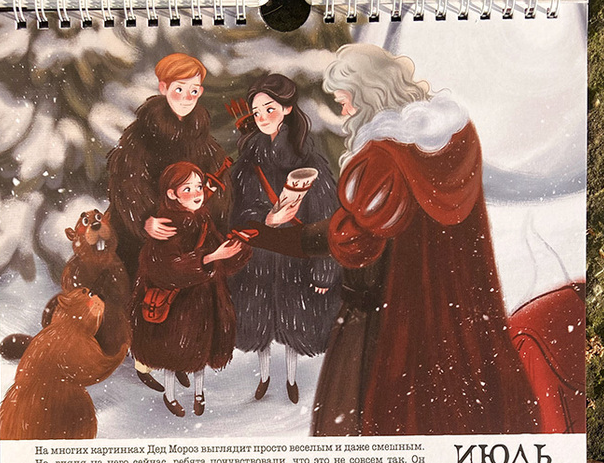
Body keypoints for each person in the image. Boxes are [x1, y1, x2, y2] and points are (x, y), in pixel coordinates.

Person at [270, 44, 539, 436]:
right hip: (460, 302)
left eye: (346, 101)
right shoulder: (457, 138)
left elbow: (357, 241)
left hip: (395, 307)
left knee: (383, 412)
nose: (345, 112)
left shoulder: (382, 157)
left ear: (370, 95)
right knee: (463, 395)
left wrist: (284, 235)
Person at [107, 53, 231, 393]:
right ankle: (143, 358)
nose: (188, 97)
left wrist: (208, 203)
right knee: (149, 294)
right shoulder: (142, 134)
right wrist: (145, 218)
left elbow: (217, 179)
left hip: (187, 227)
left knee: (185, 298)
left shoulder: (200, 134)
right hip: (148, 232)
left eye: (195, 90)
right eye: (180, 89)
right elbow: (127, 182)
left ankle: (177, 356)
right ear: (163, 88)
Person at [229, 74, 341, 403]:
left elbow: (327, 217)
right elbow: (237, 213)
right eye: (256, 112)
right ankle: (264, 376)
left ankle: (291, 378)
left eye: (270, 109)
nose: (262, 117)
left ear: (287, 109)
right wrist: (267, 218)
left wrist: (324, 269)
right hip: (261, 255)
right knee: (259, 321)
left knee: (295, 320)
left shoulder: (311, 160)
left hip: (297, 253)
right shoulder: (248, 162)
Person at [130, 162, 250, 417]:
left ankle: (199, 393)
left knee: (200, 351)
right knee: (172, 354)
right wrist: (209, 258)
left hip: (202, 301)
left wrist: (237, 248)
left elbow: (220, 255)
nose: (197, 193)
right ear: (171, 194)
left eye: (199, 186)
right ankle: (170, 395)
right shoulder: (165, 225)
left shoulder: (202, 218)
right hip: (178, 305)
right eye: (187, 188)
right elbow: (166, 268)